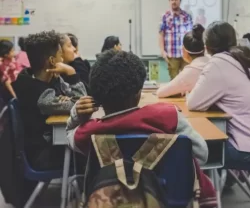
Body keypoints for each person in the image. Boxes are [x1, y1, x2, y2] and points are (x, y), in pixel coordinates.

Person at [66, 50, 217, 207]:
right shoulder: (168, 116)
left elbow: (69, 135)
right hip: (169, 200)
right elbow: (201, 154)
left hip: (114, 200)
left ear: (97, 98)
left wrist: (77, 115)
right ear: (139, 93)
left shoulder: (89, 132)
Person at [187, 21, 250, 168]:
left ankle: (206, 189)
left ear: (206, 46)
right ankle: (224, 180)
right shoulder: (244, 59)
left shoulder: (219, 63)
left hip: (242, 150)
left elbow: (193, 103)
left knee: (184, 148)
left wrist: (189, 92)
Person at [12, 31, 87, 170]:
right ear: (52, 61)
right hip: (43, 155)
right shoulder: (41, 96)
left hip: (49, 145)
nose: (63, 60)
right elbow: (83, 104)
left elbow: (74, 99)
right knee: (91, 152)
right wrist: (71, 72)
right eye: (60, 55)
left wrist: (67, 99)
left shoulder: (45, 79)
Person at [157, 24, 209, 98]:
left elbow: (160, 93)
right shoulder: (212, 62)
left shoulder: (190, 71)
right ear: (205, 48)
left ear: (184, 51)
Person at [159, 0, 193, 80]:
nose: (174, 1)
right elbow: (161, 34)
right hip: (171, 54)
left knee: (187, 79)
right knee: (174, 80)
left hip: (185, 54)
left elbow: (191, 35)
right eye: (172, 0)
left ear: (180, 1)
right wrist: (163, 51)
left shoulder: (187, 16)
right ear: (169, 2)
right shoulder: (165, 16)